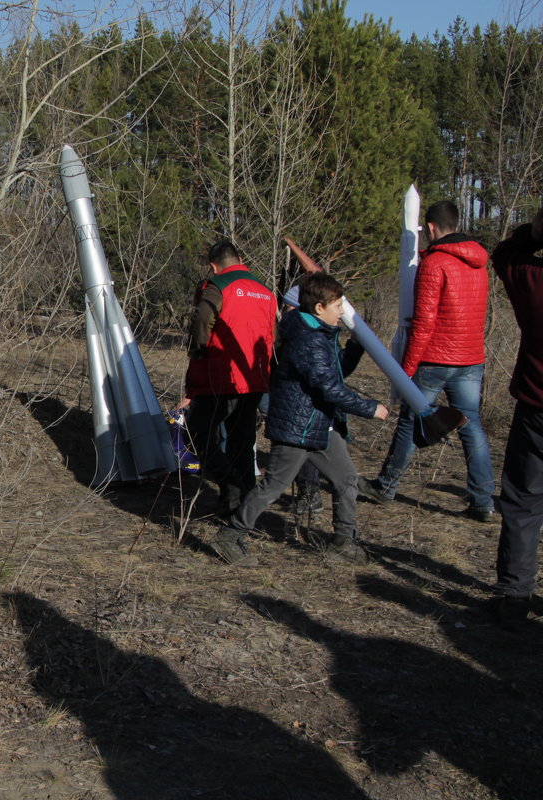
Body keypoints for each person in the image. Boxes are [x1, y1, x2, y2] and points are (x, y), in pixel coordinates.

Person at [211, 272, 390, 567]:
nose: (342, 312)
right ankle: (230, 536)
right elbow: (329, 387)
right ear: (319, 307)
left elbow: (334, 372)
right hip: (297, 428)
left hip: (318, 424)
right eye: (337, 306)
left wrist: (356, 346)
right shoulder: (308, 340)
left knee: (346, 480)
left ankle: (344, 541)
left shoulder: (317, 332)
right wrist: (369, 408)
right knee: (272, 487)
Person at [362, 200, 495, 521]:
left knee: (411, 419)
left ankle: (386, 486)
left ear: (431, 228)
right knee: (471, 426)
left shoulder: (435, 263)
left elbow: (424, 323)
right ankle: (483, 501)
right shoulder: (478, 263)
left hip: (435, 358)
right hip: (471, 357)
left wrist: (405, 372)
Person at [179, 240, 278, 517]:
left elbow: (202, 322)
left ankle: (230, 483)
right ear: (239, 258)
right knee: (242, 441)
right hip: (255, 377)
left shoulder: (218, 287)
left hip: (220, 376)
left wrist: (198, 354)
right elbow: (273, 335)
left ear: (213, 265)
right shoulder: (265, 292)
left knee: (196, 435)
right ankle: (242, 504)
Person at [489, 207, 543, 624]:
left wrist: (534, 231)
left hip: (536, 408)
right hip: (533, 407)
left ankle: (513, 597)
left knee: (524, 502)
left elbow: (504, 252)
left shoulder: (531, 278)